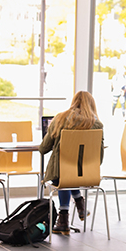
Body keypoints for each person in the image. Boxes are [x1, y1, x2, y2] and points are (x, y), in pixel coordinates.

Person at [39, 91, 104, 235]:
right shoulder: (97, 124)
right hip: (86, 175)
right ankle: (79, 202)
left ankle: (64, 219)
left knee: (65, 174)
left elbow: (43, 149)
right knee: (71, 174)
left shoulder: (60, 119)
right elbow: (99, 158)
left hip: (61, 175)